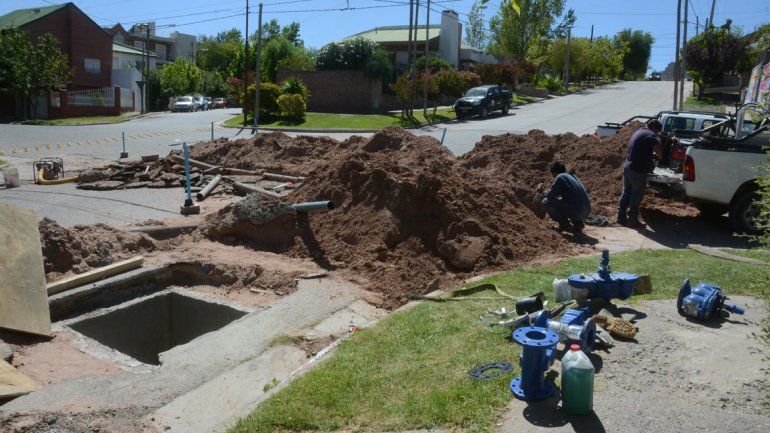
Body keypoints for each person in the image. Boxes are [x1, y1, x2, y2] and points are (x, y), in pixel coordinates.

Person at [617, 119, 664, 227]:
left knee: (626, 192)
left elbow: (640, 148)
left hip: (628, 167)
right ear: (655, 129)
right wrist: (658, 156)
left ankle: (621, 217)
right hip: (638, 170)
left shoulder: (638, 131)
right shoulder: (651, 134)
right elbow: (659, 151)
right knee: (636, 194)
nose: (656, 134)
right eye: (657, 132)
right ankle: (632, 220)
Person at [542, 162, 591, 233]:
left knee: (545, 201)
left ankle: (565, 225)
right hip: (587, 211)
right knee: (569, 202)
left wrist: (543, 193)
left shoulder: (560, 177)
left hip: (577, 210)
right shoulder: (572, 176)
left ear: (555, 173)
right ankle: (578, 223)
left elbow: (551, 194)